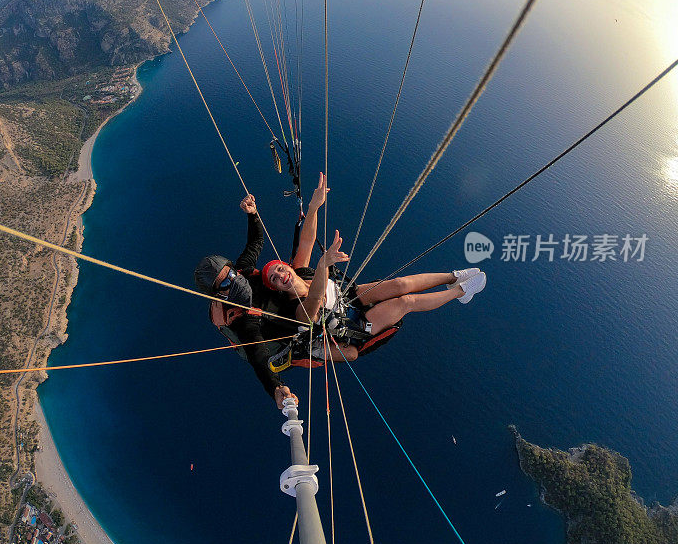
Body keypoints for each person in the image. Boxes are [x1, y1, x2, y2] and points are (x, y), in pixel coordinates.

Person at [261, 172, 487, 362]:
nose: (280, 275)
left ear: (286, 266)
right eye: (274, 279)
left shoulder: (299, 270)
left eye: (279, 269)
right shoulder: (297, 312)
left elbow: (307, 240)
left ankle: (452, 277)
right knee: (406, 302)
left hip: (349, 294)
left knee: (401, 284)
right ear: (276, 289)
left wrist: (313, 207)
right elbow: (315, 298)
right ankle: (461, 292)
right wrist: (323, 265)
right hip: (352, 324)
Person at [194, 194, 299, 409]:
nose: (234, 280)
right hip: (289, 334)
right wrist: (276, 388)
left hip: (290, 304)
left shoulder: (244, 270)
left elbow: (255, 242)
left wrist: (252, 216)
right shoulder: (240, 318)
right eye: (225, 284)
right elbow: (257, 354)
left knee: (300, 268)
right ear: (218, 294)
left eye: (231, 273)